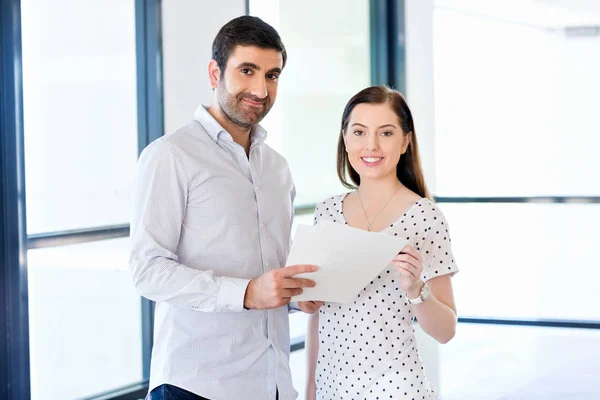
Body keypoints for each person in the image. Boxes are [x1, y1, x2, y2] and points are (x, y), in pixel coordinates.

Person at [129, 16, 322, 400]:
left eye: (272, 75)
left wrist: (296, 296)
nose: (260, 89)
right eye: (247, 70)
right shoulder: (171, 155)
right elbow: (146, 270)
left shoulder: (277, 169)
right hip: (196, 384)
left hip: (272, 383)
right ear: (214, 72)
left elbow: (269, 273)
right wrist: (246, 294)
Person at [305, 86, 459, 400]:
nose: (371, 145)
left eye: (386, 133)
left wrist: (416, 289)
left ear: (405, 141)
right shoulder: (327, 212)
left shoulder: (425, 217)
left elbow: (446, 331)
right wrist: (309, 390)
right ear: (345, 138)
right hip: (331, 390)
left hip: (397, 390)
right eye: (359, 132)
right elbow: (316, 314)